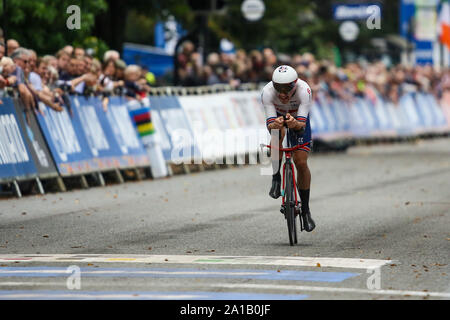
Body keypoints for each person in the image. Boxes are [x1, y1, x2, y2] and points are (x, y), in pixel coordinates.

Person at [261, 65, 315, 232]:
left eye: (287, 88)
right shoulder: (267, 92)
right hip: (278, 116)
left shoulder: (304, 90)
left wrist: (295, 123)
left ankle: (305, 211)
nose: (283, 93)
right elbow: (270, 125)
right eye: (279, 88)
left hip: (298, 117)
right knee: (277, 133)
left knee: (300, 162)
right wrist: (275, 125)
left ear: (295, 84)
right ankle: (276, 177)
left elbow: (301, 126)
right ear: (273, 85)